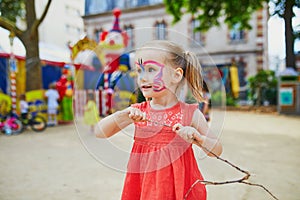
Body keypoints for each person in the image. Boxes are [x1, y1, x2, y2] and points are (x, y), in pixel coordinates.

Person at [95, 40, 223, 200]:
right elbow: (100, 132)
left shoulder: (190, 113)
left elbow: (216, 150)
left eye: (151, 69)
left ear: (176, 75)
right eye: (139, 70)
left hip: (178, 189)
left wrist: (199, 138)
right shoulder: (138, 111)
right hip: (144, 188)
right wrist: (124, 114)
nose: (142, 77)